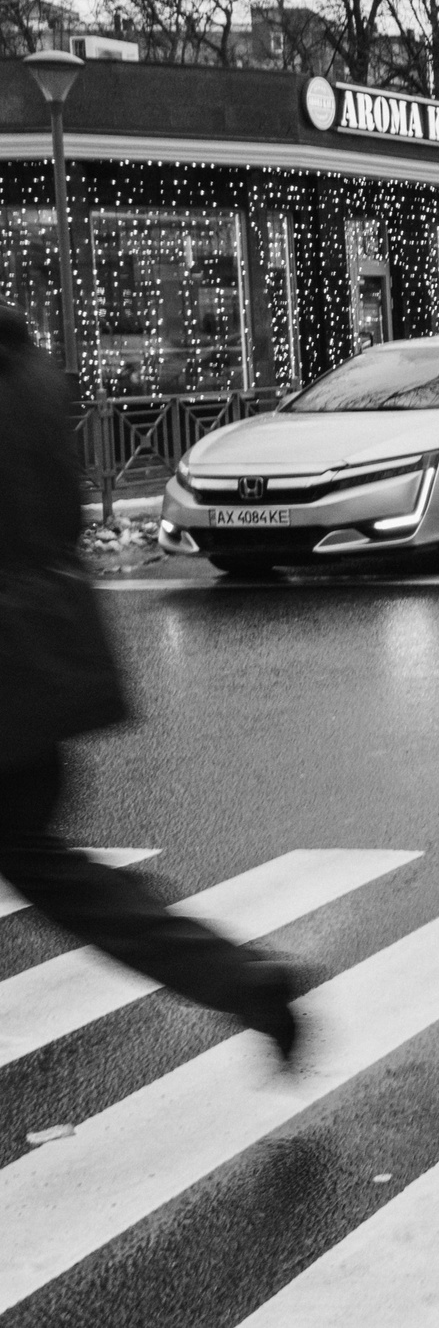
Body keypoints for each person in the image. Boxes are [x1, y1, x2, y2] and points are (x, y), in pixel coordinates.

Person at [0, 304, 301, 1065]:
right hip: (40, 646)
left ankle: (240, 978)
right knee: (47, 863)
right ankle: (239, 977)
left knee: (43, 863)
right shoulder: (27, 366)